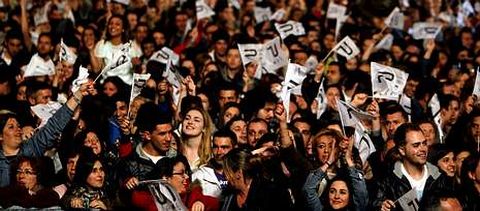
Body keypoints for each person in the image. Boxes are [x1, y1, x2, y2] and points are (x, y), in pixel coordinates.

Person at [0, 82, 94, 187]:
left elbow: (54, 125)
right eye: (11, 127)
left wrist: (78, 94)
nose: (18, 130)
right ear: (0, 136)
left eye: (18, 126)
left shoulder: (31, 148)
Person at [374, 123, 454, 211]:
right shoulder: (388, 179)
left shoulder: (440, 177)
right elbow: (375, 204)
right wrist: (381, 207)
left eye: (424, 143)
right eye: (416, 145)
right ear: (402, 150)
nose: (423, 149)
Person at [303, 128, 368, 211]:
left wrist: (348, 158)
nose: (326, 151)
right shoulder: (308, 172)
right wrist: (328, 162)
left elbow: (361, 194)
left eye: (331, 146)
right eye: (321, 146)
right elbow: (308, 190)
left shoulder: (346, 175)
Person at [221, 148, 294, 210]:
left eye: (226, 172)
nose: (224, 176)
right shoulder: (227, 197)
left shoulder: (273, 193)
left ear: (238, 173)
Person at [191, 129, 236, 208]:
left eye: (224, 147)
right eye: (215, 147)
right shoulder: (199, 175)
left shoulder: (242, 174)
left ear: (235, 148)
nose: (219, 152)